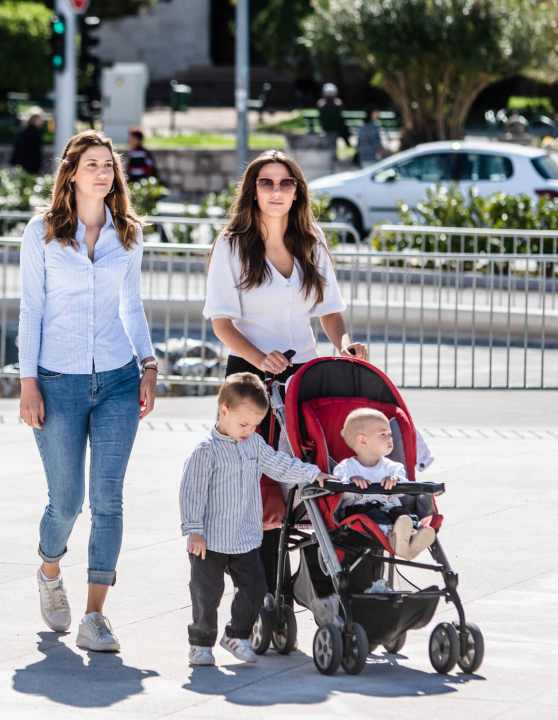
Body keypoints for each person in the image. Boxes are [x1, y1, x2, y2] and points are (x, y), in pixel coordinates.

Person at [18, 130, 159, 653]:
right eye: (92, 164)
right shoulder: (43, 232)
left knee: (108, 500)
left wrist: (148, 363)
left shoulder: (128, 233)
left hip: (120, 380)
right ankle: (49, 569)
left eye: (109, 165)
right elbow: (31, 310)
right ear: (72, 173)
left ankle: (95, 616)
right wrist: (28, 381)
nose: (103, 173)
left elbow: (133, 307)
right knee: (67, 502)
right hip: (57, 382)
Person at [203, 149, 368, 595]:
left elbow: (330, 311)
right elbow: (222, 323)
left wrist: (342, 345)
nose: (277, 191)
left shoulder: (311, 240)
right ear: (252, 191)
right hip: (250, 379)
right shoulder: (232, 245)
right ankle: (260, 589)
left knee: (305, 473)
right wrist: (261, 359)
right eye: (267, 183)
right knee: (256, 484)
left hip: (303, 376)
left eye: (286, 183)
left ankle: (309, 578)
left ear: (297, 192)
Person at [179, 373, 335, 666]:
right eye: (243, 423)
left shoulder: (254, 444)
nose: (249, 430)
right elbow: (191, 492)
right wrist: (194, 530)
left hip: (244, 537)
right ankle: (200, 643)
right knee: (206, 591)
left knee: (255, 588)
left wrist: (313, 474)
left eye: (255, 425)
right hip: (209, 539)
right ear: (223, 410)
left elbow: (279, 465)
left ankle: (237, 635)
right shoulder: (206, 450)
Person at [331, 408, 436, 560]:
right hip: (361, 514)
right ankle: (394, 538)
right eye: (383, 434)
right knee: (375, 515)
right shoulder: (346, 467)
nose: (390, 438)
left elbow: (404, 489)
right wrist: (352, 480)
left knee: (406, 516)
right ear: (362, 440)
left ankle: (412, 536)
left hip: (392, 511)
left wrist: (396, 481)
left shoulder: (393, 467)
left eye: (390, 434)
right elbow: (338, 489)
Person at [11, 107, 44, 175]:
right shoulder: (34, 132)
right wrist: (39, 167)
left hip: (21, 163)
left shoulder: (23, 130)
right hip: (31, 165)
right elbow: (36, 152)